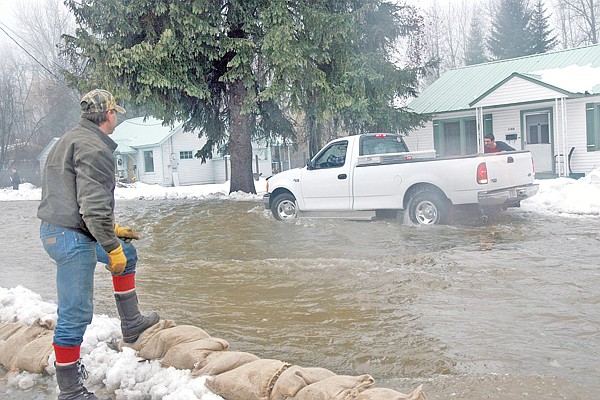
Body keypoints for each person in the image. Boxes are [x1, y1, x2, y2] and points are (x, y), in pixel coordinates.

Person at [38, 89, 160, 400]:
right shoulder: (94, 148)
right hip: (70, 237)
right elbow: (93, 206)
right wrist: (110, 244)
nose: (116, 115)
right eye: (115, 112)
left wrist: (113, 233)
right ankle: (71, 390)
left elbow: (72, 194)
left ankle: (131, 322)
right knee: (75, 312)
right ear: (108, 115)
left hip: (65, 229)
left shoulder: (72, 138)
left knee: (128, 252)